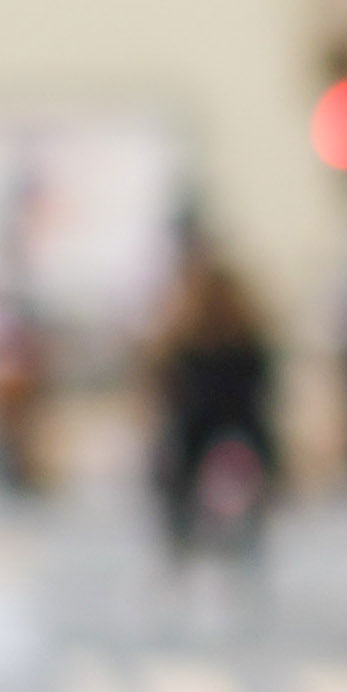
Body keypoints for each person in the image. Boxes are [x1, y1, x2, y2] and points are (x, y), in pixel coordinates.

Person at [147, 239, 279, 582]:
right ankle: (196, 538)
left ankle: (186, 540)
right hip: (222, 424)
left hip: (222, 424)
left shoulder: (214, 337)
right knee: (177, 463)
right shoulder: (204, 337)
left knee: (179, 466)